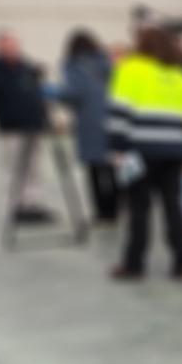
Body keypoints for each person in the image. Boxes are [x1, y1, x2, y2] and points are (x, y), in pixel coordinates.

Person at [107, 26, 182, 280]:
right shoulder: (180, 75)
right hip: (174, 152)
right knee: (174, 207)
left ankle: (134, 265)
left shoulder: (130, 69)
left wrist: (117, 148)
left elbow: (119, 113)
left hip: (140, 151)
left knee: (138, 209)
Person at [0, 28, 53, 224]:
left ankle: (33, 204)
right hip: (11, 129)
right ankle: (16, 206)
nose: (12, 49)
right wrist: (6, 112)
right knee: (14, 167)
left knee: (34, 167)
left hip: (34, 126)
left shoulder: (27, 68)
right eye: (7, 46)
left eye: (14, 45)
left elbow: (38, 93)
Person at [60, 29, 117, 223]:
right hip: (111, 119)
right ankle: (115, 208)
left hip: (88, 123)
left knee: (94, 171)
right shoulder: (106, 63)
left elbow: (74, 93)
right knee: (112, 167)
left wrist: (53, 94)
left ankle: (102, 212)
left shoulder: (73, 66)